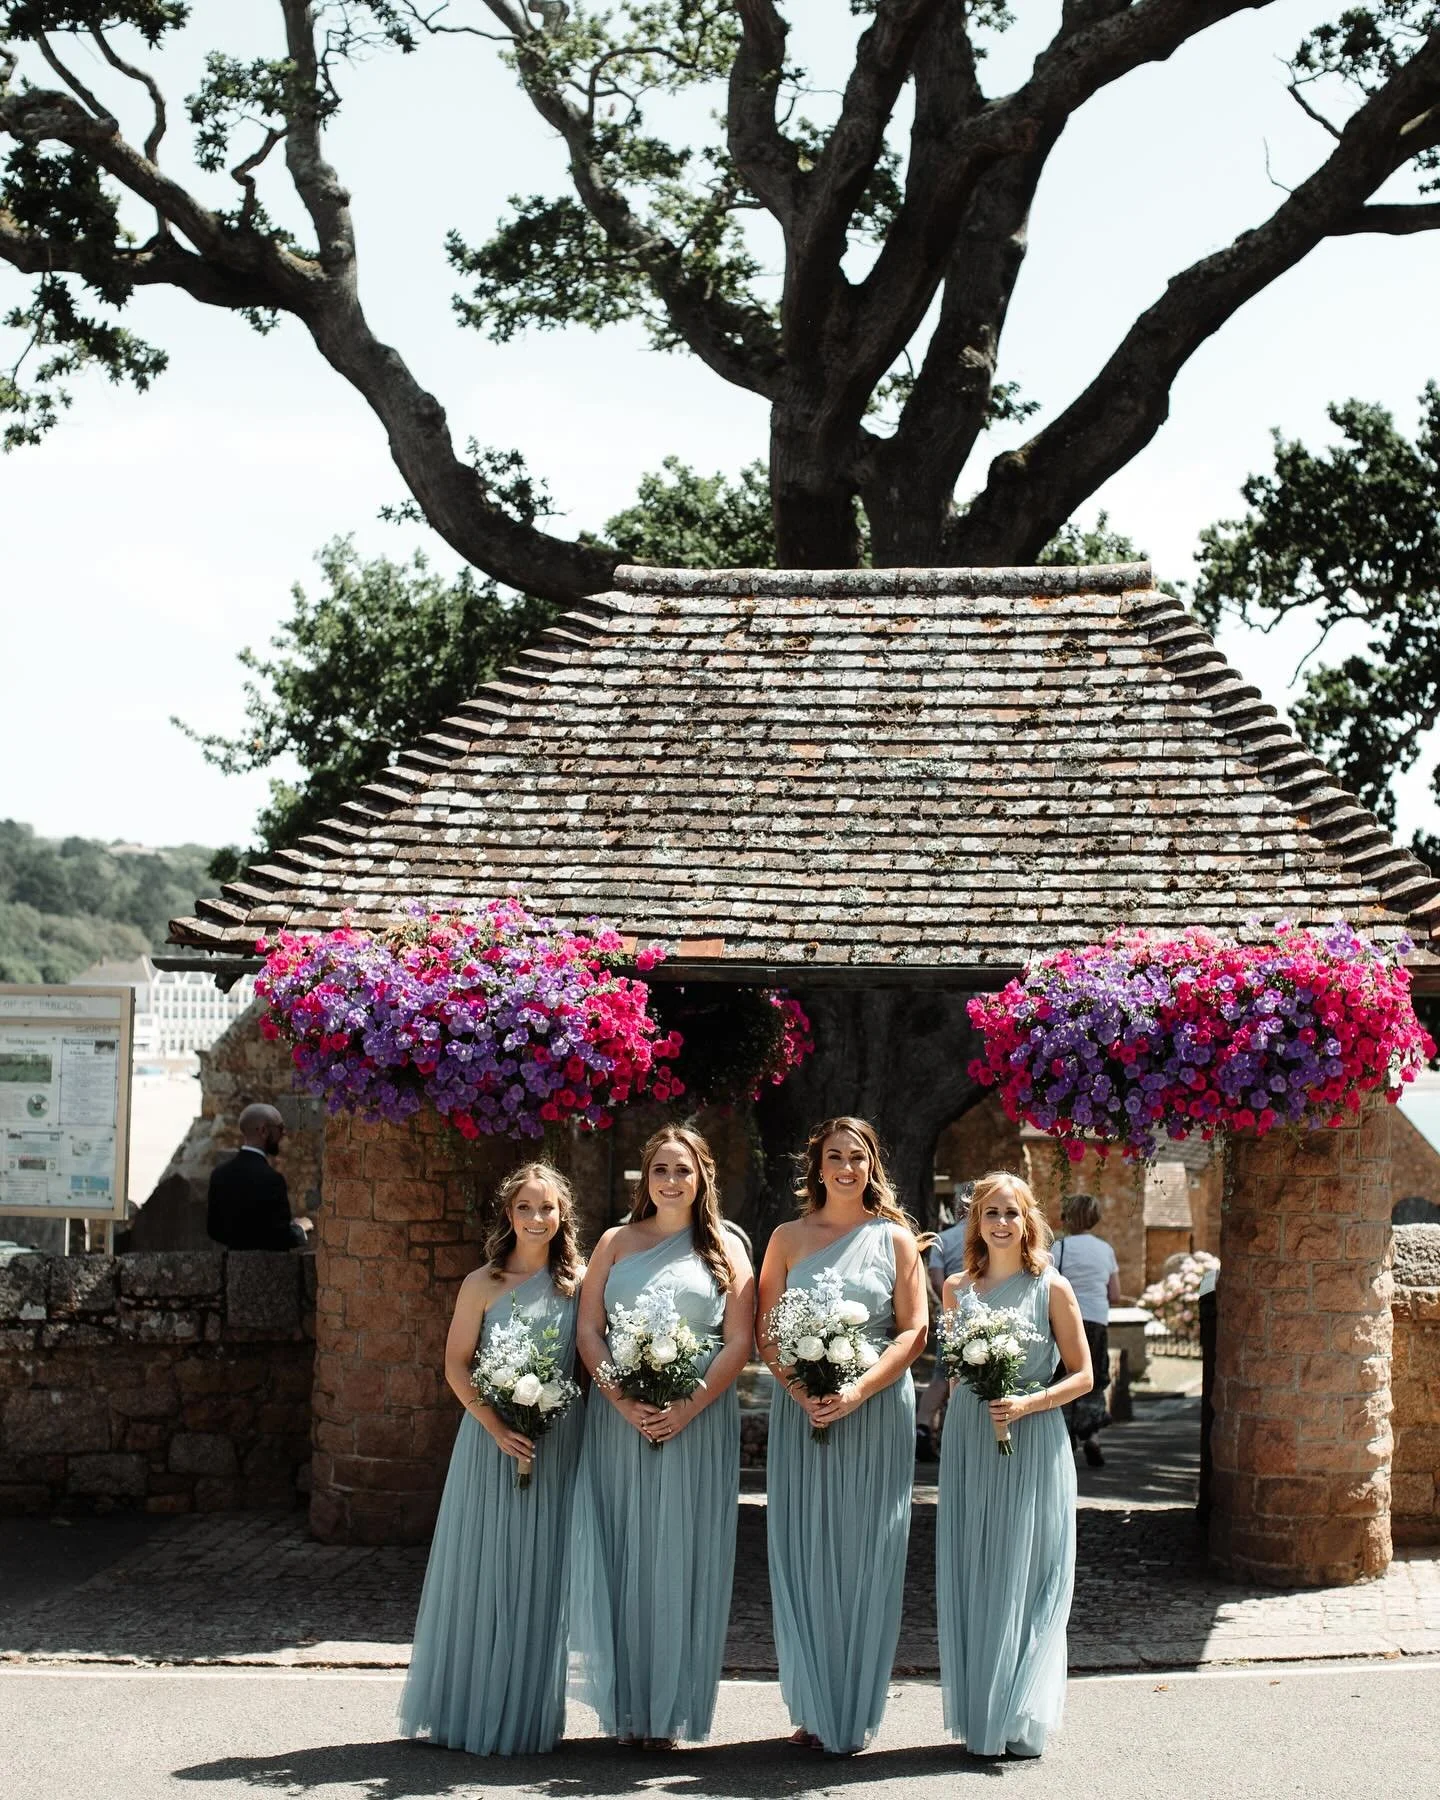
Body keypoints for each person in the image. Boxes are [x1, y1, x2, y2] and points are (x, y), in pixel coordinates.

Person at [569, 1127, 755, 1748]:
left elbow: (739, 1341)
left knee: (682, 1554)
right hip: (619, 1421)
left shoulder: (727, 1245)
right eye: (659, 1171)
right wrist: (621, 1400)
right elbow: (588, 1330)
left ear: (702, 1176)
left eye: (682, 1170)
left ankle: (670, 1709)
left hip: (695, 1422)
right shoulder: (615, 1241)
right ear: (644, 1179)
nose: (671, 1181)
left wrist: (688, 1405)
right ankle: (627, 1711)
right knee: (626, 1550)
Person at [399, 1161, 586, 1755]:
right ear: (508, 1214)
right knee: (484, 1568)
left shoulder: (579, 1283)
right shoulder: (481, 1283)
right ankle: (468, 1709)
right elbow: (456, 1364)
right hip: (489, 1442)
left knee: (542, 1573)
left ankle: (527, 1714)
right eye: (525, 1208)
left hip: (557, 1443)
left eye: (548, 1208)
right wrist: (496, 1424)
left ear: (563, 1217)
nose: (537, 1219)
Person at [759, 1117, 928, 1756]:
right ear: (817, 1166)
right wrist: (799, 1388)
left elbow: (913, 1330)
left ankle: (854, 1707)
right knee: (805, 1548)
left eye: (858, 1157)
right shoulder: (787, 1237)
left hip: (876, 1410)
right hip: (802, 1412)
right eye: (836, 1157)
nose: (847, 1168)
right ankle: (810, 1702)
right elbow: (767, 1327)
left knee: (866, 1555)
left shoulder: (896, 1239)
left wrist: (858, 1390)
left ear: (872, 1164)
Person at [936, 1170, 1093, 1760]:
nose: (1002, 1223)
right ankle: (983, 1711)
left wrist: (1029, 1401)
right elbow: (952, 1369)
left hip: (1033, 1437)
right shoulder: (955, 1288)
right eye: (991, 1213)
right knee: (978, 1567)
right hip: (971, 1437)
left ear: (1029, 1221)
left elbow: (1084, 1376)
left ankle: (1021, 1713)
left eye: (1012, 1213)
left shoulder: (1051, 1287)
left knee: (1028, 1571)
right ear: (975, 1221)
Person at [1050, 1192, 1121, 1466]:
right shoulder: (1106, 1250)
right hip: (1097, 1320)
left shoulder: (1060, 1248)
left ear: (1068, 1217)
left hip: (1065, 1320)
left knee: (1063, 1376)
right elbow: (1114, 1293)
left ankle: (1064, 1435)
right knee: (1094, 1377)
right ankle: (1093, 1436)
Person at [916, 1184, 973, 1456]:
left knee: (941, 1375)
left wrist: (949, 1301)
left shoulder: (942, 1238)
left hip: (951, 1315)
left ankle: (923, 1426)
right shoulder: (987, 1238)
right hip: (986, 1316)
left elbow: (936, 1279)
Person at [205, 1103, 311, 1249]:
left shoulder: (219, 1175)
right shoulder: (272, 1180)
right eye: (280, 1128)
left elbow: (214, 1231)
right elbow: (280, 1237)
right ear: (263, 1131)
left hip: (233, 1265)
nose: (284, 1133)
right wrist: (300, 1228)